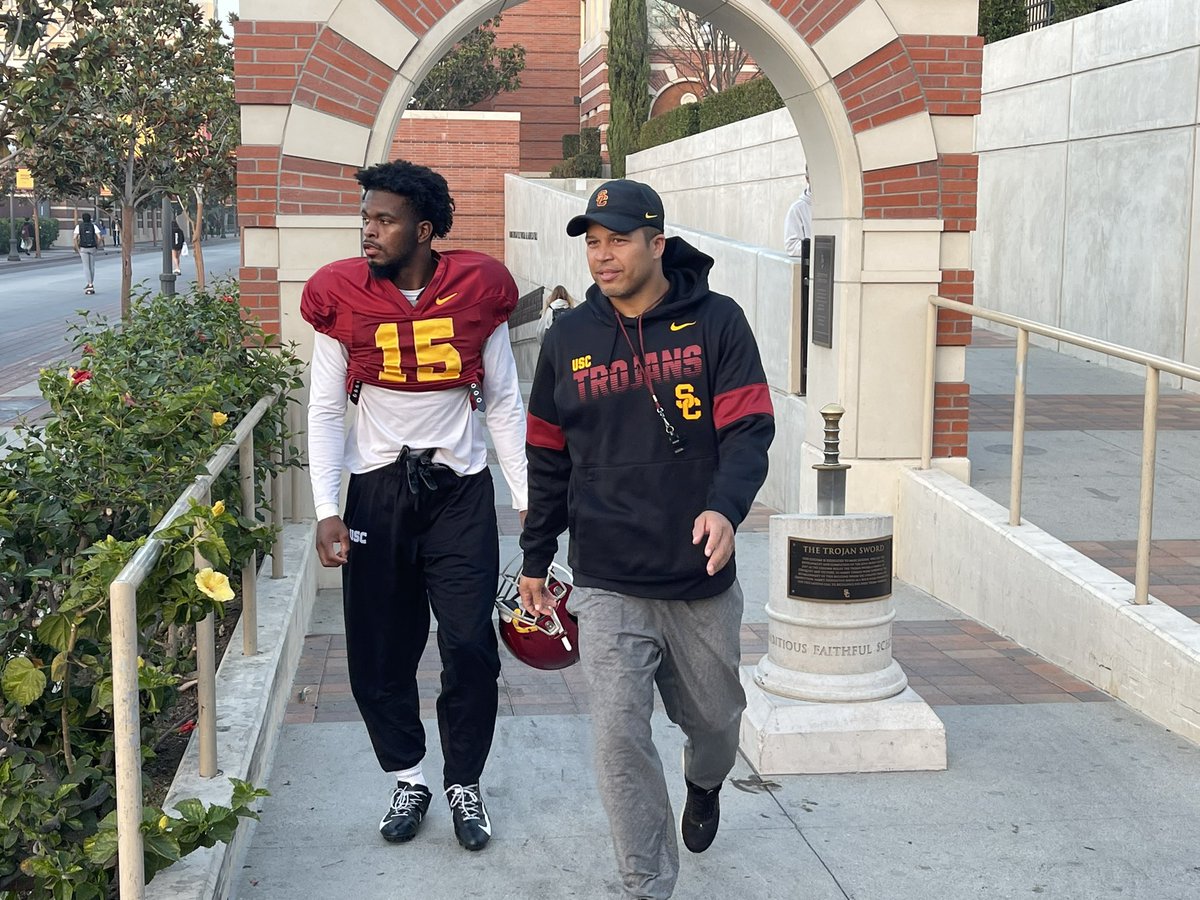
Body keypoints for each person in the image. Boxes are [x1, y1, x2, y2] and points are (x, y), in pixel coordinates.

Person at [517, 179, 774, 899]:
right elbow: (547, 454)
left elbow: (750, 427)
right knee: (619, 741)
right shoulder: (568, 338)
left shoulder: (718, 322)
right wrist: (537, 555)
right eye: (592, 242)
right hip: (606, 575)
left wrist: (726, 508)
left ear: (657, 244)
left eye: (618, 240)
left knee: (718, 721)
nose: (602, 255)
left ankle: (705, 780)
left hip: (697, 575)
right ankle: (646, 884)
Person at [301, 159, 528, 853]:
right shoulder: (340, 294)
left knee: (469, 645)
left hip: (458, 489)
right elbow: (323, 409)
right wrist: (326, 505)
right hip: (375, 491)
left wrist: (525, 499)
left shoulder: (478, 288)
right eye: (365, 216)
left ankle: (464, 778)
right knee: (379, 652)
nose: (368, 230)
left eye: (384, 219)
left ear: (423, 230)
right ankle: (409, 776)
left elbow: (504, 401)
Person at [783, 170, 812, 258]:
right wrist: (818, 248)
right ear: (807, 178)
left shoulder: (837, 205)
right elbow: (791, 246)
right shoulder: (797, 209)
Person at [73, 212, 104, 295]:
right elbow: (99, 237)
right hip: (93, 247)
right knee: (92, 266)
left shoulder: (79, 227)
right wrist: (97, 245)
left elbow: (75, 238)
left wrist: (77, 248)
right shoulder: (93, 226)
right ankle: (91, 283)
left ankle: (90, 284)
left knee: (86, 266)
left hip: (83, 248)